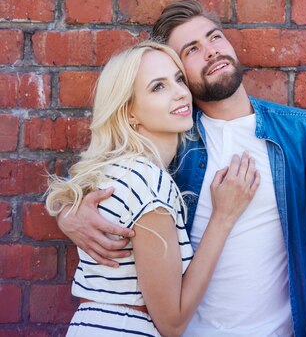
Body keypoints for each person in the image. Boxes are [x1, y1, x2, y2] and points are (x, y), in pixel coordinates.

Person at [57, 0, 306, 337]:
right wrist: (68, 214)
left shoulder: (305, 135)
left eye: (214, 37)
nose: (211, 52)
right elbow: (91, 179)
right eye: (191, 50)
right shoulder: (170, 137)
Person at [47, 40, 259, 337]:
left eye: (178, 79)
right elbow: (172, 323)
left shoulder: (119, 173)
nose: (180, 93)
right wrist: (223, 217)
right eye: (158, 87)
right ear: (129, 112)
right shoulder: (147, 181)